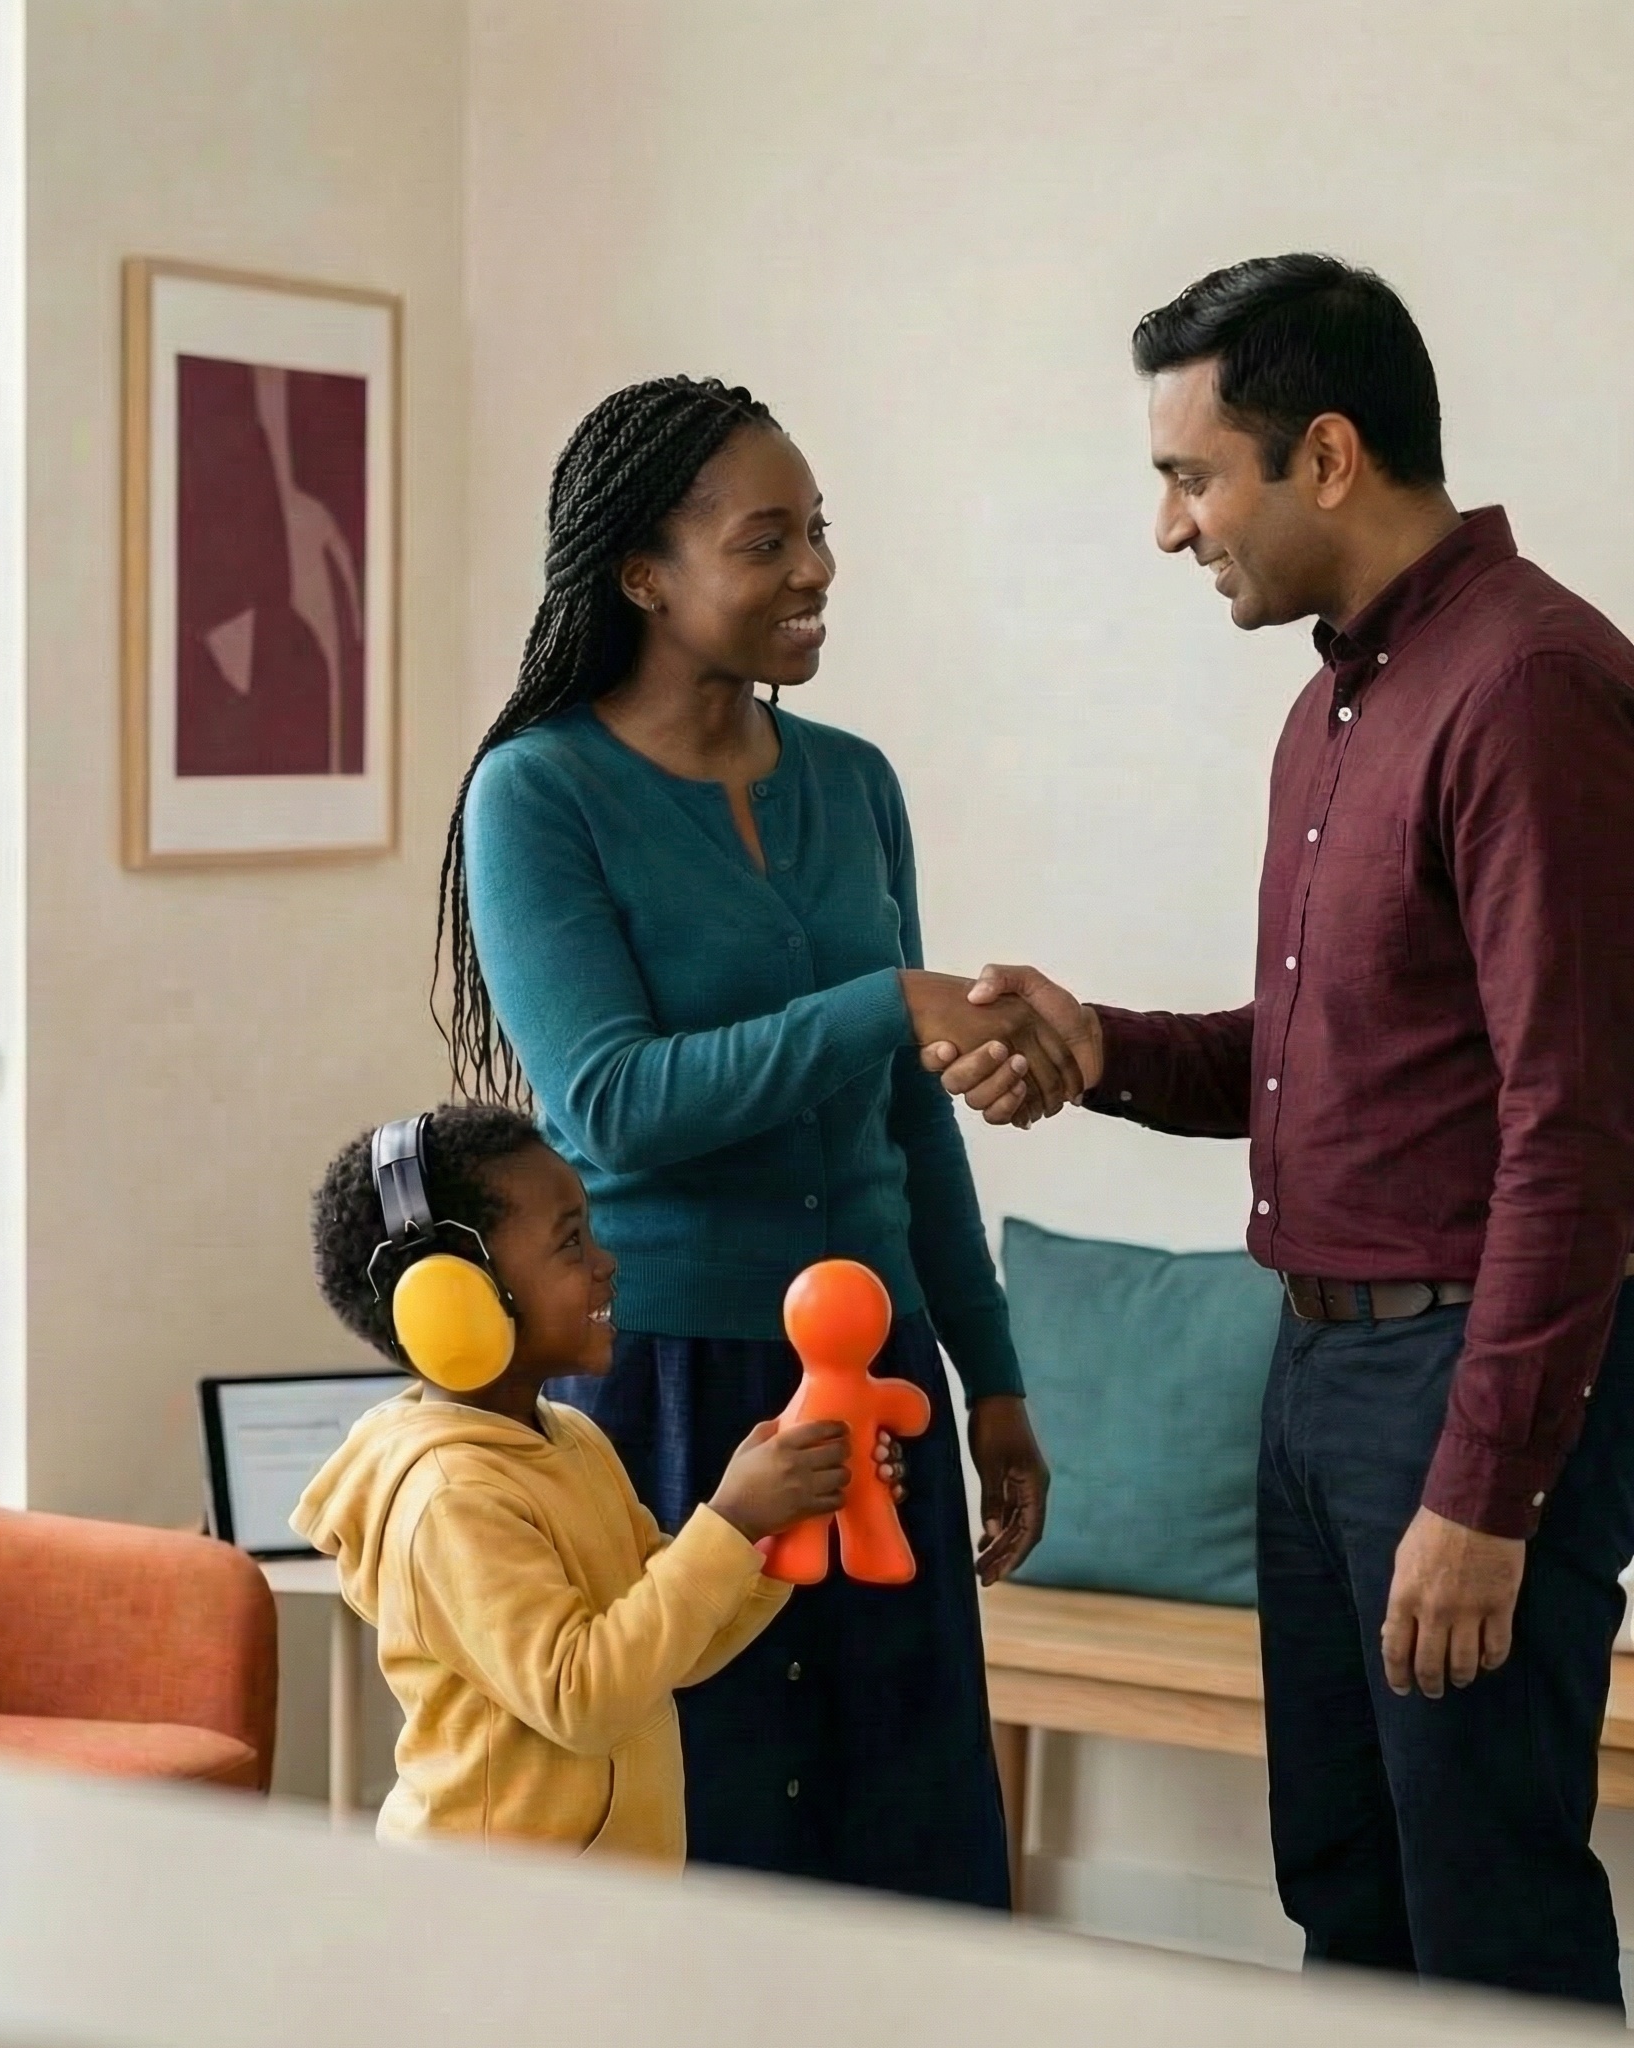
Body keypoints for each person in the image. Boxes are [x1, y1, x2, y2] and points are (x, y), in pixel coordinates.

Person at [935, 256, 1634, 2006]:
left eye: (1191, 476)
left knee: (1482, 1917)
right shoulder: (1334, 702)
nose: (1170, 529)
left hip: (1461, 1377)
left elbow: (1577, 1118)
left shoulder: (1527, 686)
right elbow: (1331, 1057)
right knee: (1345, 1887)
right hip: (1318, 1370)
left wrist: (1483, 1489)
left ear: (1322, 455)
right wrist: (1094, 1048)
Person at [444, 376, 1069, 1905]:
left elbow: (912, 1110)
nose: (815, 571)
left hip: (880, 1387)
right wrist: (882, 1003)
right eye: (766, 539)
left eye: (820, 532)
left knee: (905, 1828)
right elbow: (612, 1104)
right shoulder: (536, 794)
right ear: (644, 575)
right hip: (666, 1386)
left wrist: (986, 1376)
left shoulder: (855, 784)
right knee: (702, 1832)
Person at [297, 1101, 897, 1867]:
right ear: (454, 1301)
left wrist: (778, 1525)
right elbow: (583, 1699)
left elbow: (669, 1651)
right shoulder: (450, 1499)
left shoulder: (570, 1437)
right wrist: (733, 1520)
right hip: (498, 1918)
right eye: (570, 1242)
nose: (604, 1261)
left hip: (602, 1898)